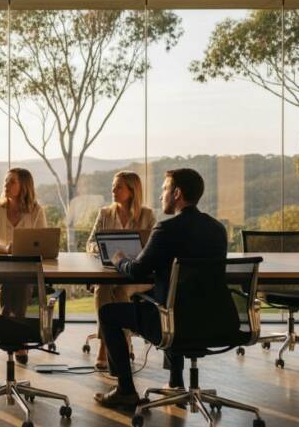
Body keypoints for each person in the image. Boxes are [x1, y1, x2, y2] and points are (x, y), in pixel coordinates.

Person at [93, 168, 227, 409]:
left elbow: (136, 271)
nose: (161, 195)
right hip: (215, 321)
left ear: (177, 193)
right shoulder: (218, 230)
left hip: (172, 322)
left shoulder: (166, 230)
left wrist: (119, 259)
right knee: (173, 302)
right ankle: (175, 381)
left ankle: (125, 390)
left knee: (109, 314)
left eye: (164, 189)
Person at [86, 171, 156, 369]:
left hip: (137, 274)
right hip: (110, 272)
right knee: (104, 288)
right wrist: (100, 249)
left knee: (122, 290)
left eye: (119, 187)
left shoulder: (147, 215)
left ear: (132, 191)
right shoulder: (105, 214)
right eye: (113, 186)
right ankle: (105, 344)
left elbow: (153, 246)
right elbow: (90, 242)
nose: (113, 190)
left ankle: (121, 343)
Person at [0, 168, 46, 364]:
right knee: (14, 282)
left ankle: (7, 327)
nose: (6, 185)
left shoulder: (36, 211)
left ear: (24, 186)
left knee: (19, 281)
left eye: (12, 182)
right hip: (0, 267)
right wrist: (7, 249)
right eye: (6, 181)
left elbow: (42, 243)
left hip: (27, 268)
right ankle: (18, 339)